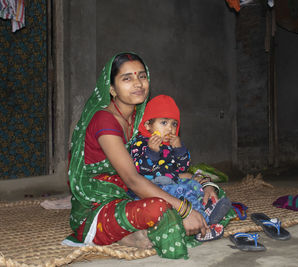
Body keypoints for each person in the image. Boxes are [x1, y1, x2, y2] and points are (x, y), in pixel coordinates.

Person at [64, 52, 235, 259]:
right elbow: (133, 179)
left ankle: (154, 229)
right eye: (127, 78)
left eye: (142, 76)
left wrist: (205, 183)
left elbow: (166, 167)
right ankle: (132, 232)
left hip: (134, 190)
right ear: (111, 89)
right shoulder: (104, 120)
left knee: (213, 195)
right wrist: (185, 210)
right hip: (101, 203)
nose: (138, 83)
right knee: (159, 207)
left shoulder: (140, 118)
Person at [130, 94, 232, 241]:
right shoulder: (140, 143)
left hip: (173, 182)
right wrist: (152, 152)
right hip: (154, 188)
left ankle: (206, 206)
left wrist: (179, 149)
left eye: (174, 124)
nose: (170, 129)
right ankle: (204, 225)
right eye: (164, 123)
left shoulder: (171, 145)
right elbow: (140, 170)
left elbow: (182, 168)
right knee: (183, 192)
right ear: (148, 125)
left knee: (194, 185)